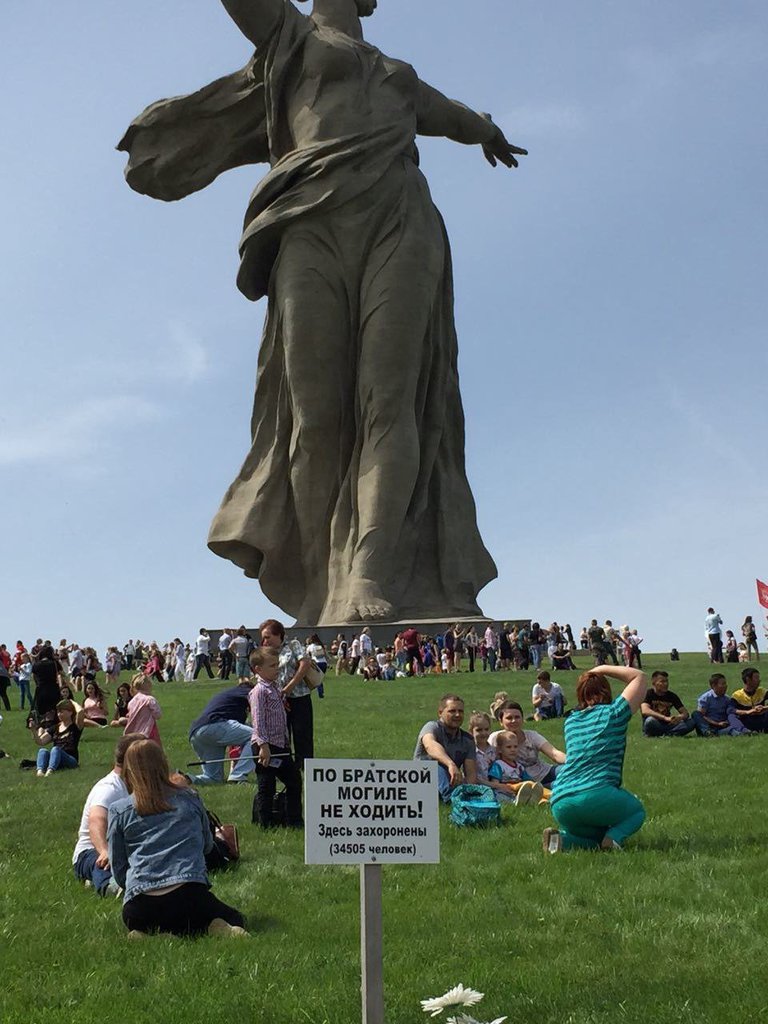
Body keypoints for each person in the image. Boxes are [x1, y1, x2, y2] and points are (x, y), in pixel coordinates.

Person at [121, 0, 526, 625]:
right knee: (315, 417)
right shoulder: (291, 35)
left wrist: (488, 132)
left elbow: (452, 118)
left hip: (399, 215)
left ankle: (369, 570)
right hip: (308, 220)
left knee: (390, 400)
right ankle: (323, 577)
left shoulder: (400, 74)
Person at [107, 740, 247, 937]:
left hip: (139, 906)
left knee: (143, 922)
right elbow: (207, 846)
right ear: (163, 764)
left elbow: (118, 867)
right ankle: (213, 926)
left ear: (129, 771)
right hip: (189, 894)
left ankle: (150, 934)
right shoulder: (189, 797)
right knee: (235, 918)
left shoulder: (119, 810)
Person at [543, 665, 647, 854]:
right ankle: (614, 839)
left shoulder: (571, 721)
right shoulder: (614, 714)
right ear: (605, 690)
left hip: (560, 801)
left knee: (595, 838)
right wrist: (602, 669)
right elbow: (638, 677)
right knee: (636, 812)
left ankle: (562, 841)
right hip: (595, 793)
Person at [73, 733, 143, 896]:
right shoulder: (109, 788)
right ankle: (111, 887)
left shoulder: (137, 784)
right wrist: (104, 850)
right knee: (103, 864)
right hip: (91, 850)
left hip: (125, 846)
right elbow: (96, 820)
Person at [249, 646, 303, 828]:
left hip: (281, 745)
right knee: (267, 786)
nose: (277, 669)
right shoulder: (259, 691)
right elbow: (258, 721)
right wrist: (263, 746)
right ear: (258, 669)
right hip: (266, 746)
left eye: (277, 665)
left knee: (294, 781)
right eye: (272, 666)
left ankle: (294, 820)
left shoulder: (274, 688)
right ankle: (266, 823)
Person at [259, 619, 313, 769]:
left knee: (302, 733)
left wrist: (290, 687)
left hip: (299, 697)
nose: (265, 641)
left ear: (279, 635)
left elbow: (305, 663)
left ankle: (304, 765)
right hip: (278, 700)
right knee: (281, 735)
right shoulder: (268, 652)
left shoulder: (293, 645)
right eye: (263, 638)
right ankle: (285, 766)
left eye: (268, 637)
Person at [188, 674, 257, 784]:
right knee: (258, 737)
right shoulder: (248, 691)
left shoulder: (230, 694)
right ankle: (238, 776)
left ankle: (186, 779)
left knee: (213, 778)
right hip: (214, 725)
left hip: (196, 732)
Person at [413, 694, 477, 802]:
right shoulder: (432, 727)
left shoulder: (468, 740)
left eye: (461, 711)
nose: (457, 715)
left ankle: (464, 801)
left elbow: (470, 773)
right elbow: (430, 745)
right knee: (437, 766)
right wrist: (450, 764)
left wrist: (470, 790)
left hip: (449, 781)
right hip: (421, 779)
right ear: (440, 713)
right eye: (452, 711)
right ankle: (452, 800)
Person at [489, 700, 565, 787]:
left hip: (545, 773)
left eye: (517, 717)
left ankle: (554, 786)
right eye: (509, 718)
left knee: (572, 771)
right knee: (562, 784)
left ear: (522, 719)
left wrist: (573, 762)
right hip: (520, 782)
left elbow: (554, 753)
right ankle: (552, 787)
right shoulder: (495, 738)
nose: (514, 721)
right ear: (501, 721)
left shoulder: (531, 736)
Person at [487, 730, 548, 805]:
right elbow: (495, 783)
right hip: (505, 791)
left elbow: (528, 781)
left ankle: (543, 800)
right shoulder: (498, 764)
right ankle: (517, 802)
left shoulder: (519, 767)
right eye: (508, 747)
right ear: (499, 750)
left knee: (532, 786)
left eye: (515, 747)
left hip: (520, 790)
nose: (512, 750)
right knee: (502, 796)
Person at [33, 699, 87, 776]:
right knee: (43, 751)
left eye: (61, 712)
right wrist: (33, 730)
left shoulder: (76, 727)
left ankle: (50, 771)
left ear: (70, 712)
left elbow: (80, 711)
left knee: (56, 749)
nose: (59, 714)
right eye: (58, 712)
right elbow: (41, 742)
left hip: (70, 759)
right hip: (56, 757)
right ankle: (40, 771)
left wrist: (72, 702)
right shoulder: (55, 728)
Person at [640, 670, 696, 737]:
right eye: (662, 682)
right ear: (654, 683)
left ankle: (666, 734)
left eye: (666, 681)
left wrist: (678, 718)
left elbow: (685, 713)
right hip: (654, 723)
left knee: (691, 722)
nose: (666, 684)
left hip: (668, 725)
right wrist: (664, 718)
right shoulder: (648, 694)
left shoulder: (672, 696)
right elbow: (645, 711)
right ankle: (670, 734)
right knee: (650, 721)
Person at [728, 668, 768, 733]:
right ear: (748, 679)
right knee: (731, 716)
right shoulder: (738, 695)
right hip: (747, 722)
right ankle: (745, 731)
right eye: (756, 678)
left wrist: (764, 708)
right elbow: (730, 709)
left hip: (762, 720)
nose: (759, 680)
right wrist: (748, 712)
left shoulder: (762, 691)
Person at [31, 644, 61, 719]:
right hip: (53, 688)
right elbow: (61, 673)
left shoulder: (36, 664)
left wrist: (38, 684)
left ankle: (43, 726)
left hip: (41, 689)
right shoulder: (54, 663)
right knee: (54, 711)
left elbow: (34, 677)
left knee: (42, 712)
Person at [468, 710, 495, 783]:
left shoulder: (494, 751)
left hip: (494, 785)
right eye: (479, 730)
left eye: (486, 729)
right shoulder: (470, 752)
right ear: (471, 732)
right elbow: (471, 777)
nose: (483, 733)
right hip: (476, 787)